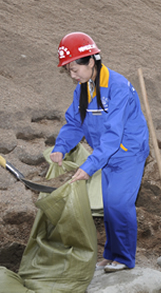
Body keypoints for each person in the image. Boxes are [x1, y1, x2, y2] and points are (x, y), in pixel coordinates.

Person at [50, 32, 149, 273]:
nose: (73, 76)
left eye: (75, 70)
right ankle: (111, 253)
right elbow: (74, 123)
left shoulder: (117, 87)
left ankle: (125, 258)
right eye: (69, 71)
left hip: (127, 152)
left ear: (91, 61)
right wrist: (61, 147)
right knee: (110, 204)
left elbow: (114, 135)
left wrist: (90, 165)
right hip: (106, 154)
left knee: (118, 203)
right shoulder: (83, 88)